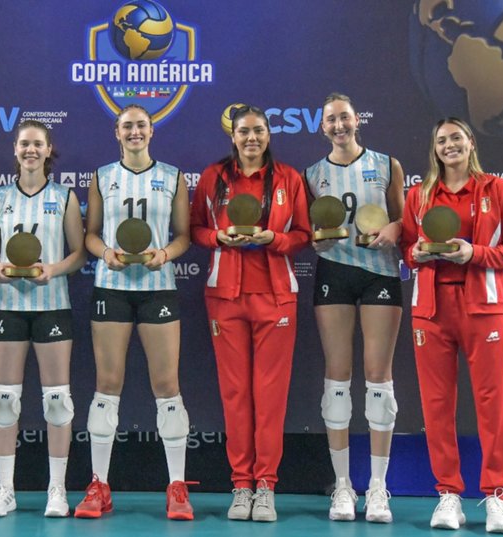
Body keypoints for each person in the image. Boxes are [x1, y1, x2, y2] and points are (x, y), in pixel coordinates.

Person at [401, 117, 503, 534]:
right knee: (436, 405)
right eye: (441, 140)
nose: (449, 145)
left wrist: (475, 253)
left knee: (494, 402)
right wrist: (417, 252)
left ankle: (496, 496)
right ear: (434, 149)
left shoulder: (496, 190)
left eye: (456, 137)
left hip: (482, 308)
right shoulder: (419, 195)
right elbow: (407, 250)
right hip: (431, 310)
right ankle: (448, 494)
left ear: (470, 142)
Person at [190, 105, 311, 522]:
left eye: (259, 130)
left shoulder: (289, 178)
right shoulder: (213, 177)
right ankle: (241, 485)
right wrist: (219, 237)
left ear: (268, 134)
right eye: (244, 132)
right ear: (233, 136)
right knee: (236, 394)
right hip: (225, 297)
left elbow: (303, 235)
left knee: (270, 396)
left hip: (276, 298)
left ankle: (266, 487)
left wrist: (273, 238)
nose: (252, 138)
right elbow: (196, 230)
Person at [75, 104, 193, 520]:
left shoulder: (174, 177)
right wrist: (106, 253)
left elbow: (184, 236)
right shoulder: (102, 176)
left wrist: (165, 254)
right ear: (117, 132)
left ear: (152, 130)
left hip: (158, 288)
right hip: (112, 288)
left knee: (167, 385)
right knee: (107, 384)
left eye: (141, 125)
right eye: (127, 126)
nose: (135, 132)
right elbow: (90, 235)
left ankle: (177, 486)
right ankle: (98, 485)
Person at [304, 93, 404, 523]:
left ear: (357, 119)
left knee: (379, 377)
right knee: (337, 377)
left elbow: (405, 219)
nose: (339, 125)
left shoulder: (386, 164)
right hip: (334, 272)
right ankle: (342, 486)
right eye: (331, 120)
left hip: (380, 273)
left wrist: (394, 229)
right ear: (322, 127)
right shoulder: (312, 174)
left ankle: (378, 488)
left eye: (344, 117)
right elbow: (309, 229)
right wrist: (315, 240)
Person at [0, 120, 86, 518]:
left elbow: (79, 253)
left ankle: (57, 489)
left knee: (57, 401)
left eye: (37, 144)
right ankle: (5, 489)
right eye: (24, 143)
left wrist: (52, 270)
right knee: (4, 401)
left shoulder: (64, 196)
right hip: (8, 306)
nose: (30, 150)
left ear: (48, 149)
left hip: (52, 305)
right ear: (15, 148)